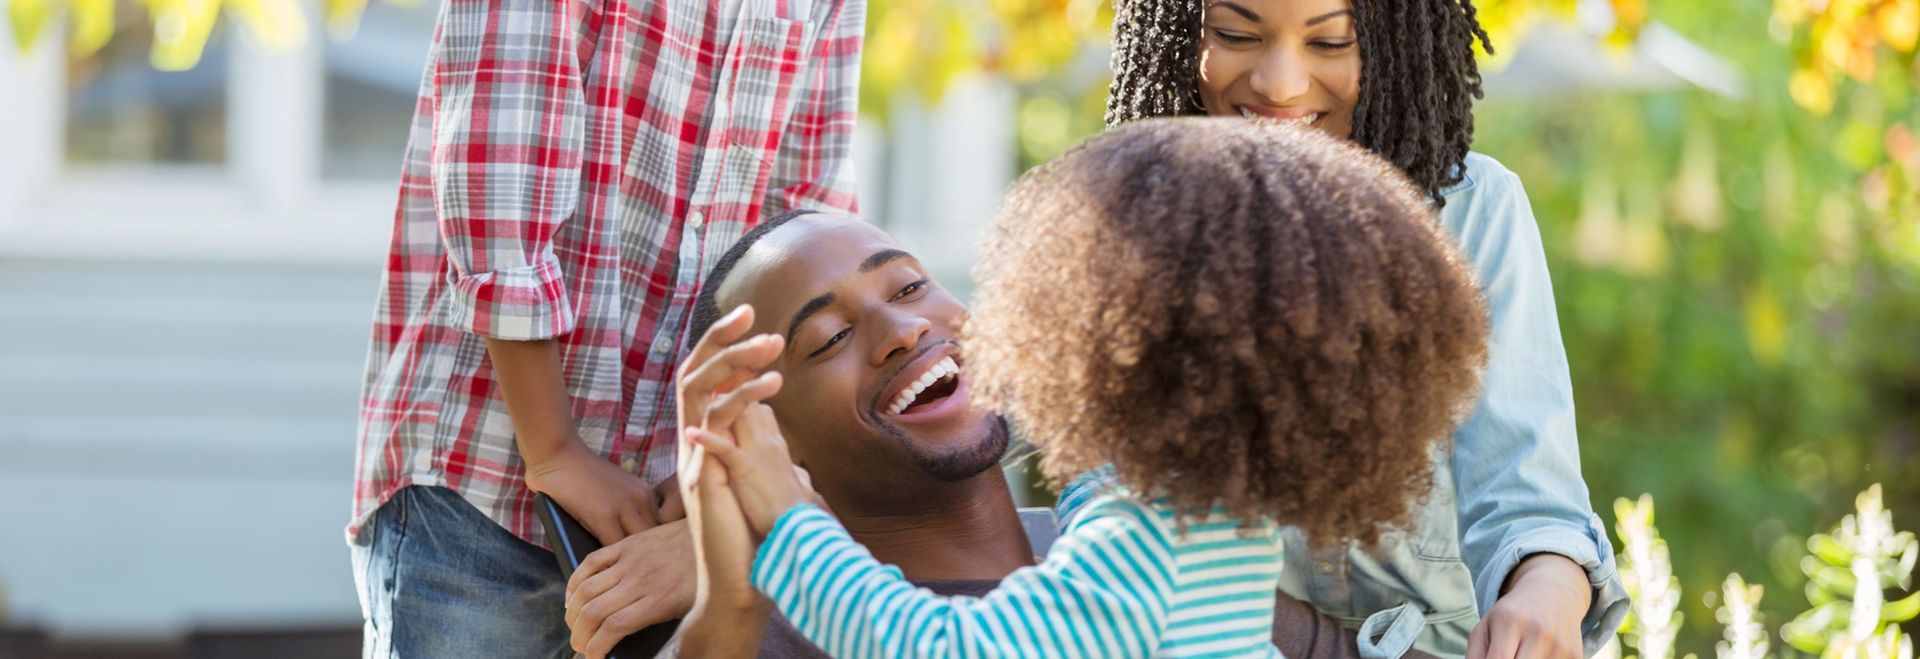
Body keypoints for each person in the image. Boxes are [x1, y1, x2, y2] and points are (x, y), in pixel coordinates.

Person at [686, 119, 1492, 658]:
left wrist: (788, 525)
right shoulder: (1196, 523)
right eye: (826, 338)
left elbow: (937, 646)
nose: (902, 330)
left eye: (907, 287)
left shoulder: (1147, 547)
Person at [1103, 0, 1631, 657]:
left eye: (1329, 43)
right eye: (1236, 35)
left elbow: (1527, 500)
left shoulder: (1471, 215)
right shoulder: (1132, 228)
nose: (1279, 84)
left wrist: (1545, 587)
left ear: (1391, 48)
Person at [346, 0, 865, 653]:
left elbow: (804, 217)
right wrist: (555, 448)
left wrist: (738, 453)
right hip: (483, 477)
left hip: (672, 510)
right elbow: (501, 166)